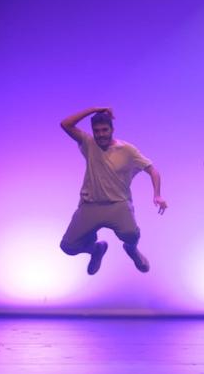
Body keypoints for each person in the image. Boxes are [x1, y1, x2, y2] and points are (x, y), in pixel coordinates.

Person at [59, 107, 167, 275]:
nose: (101, 134)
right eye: (96, 131)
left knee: (132, 235)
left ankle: (132, 250)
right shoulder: (88, 143)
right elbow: (66, 124)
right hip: (90, 205)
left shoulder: (127, 150)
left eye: (104, 130)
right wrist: (95, 109)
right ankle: (96, 250)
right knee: (68, 246)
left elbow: (153, 170)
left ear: (112, 130)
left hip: (118, 205)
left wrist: (157, 195)